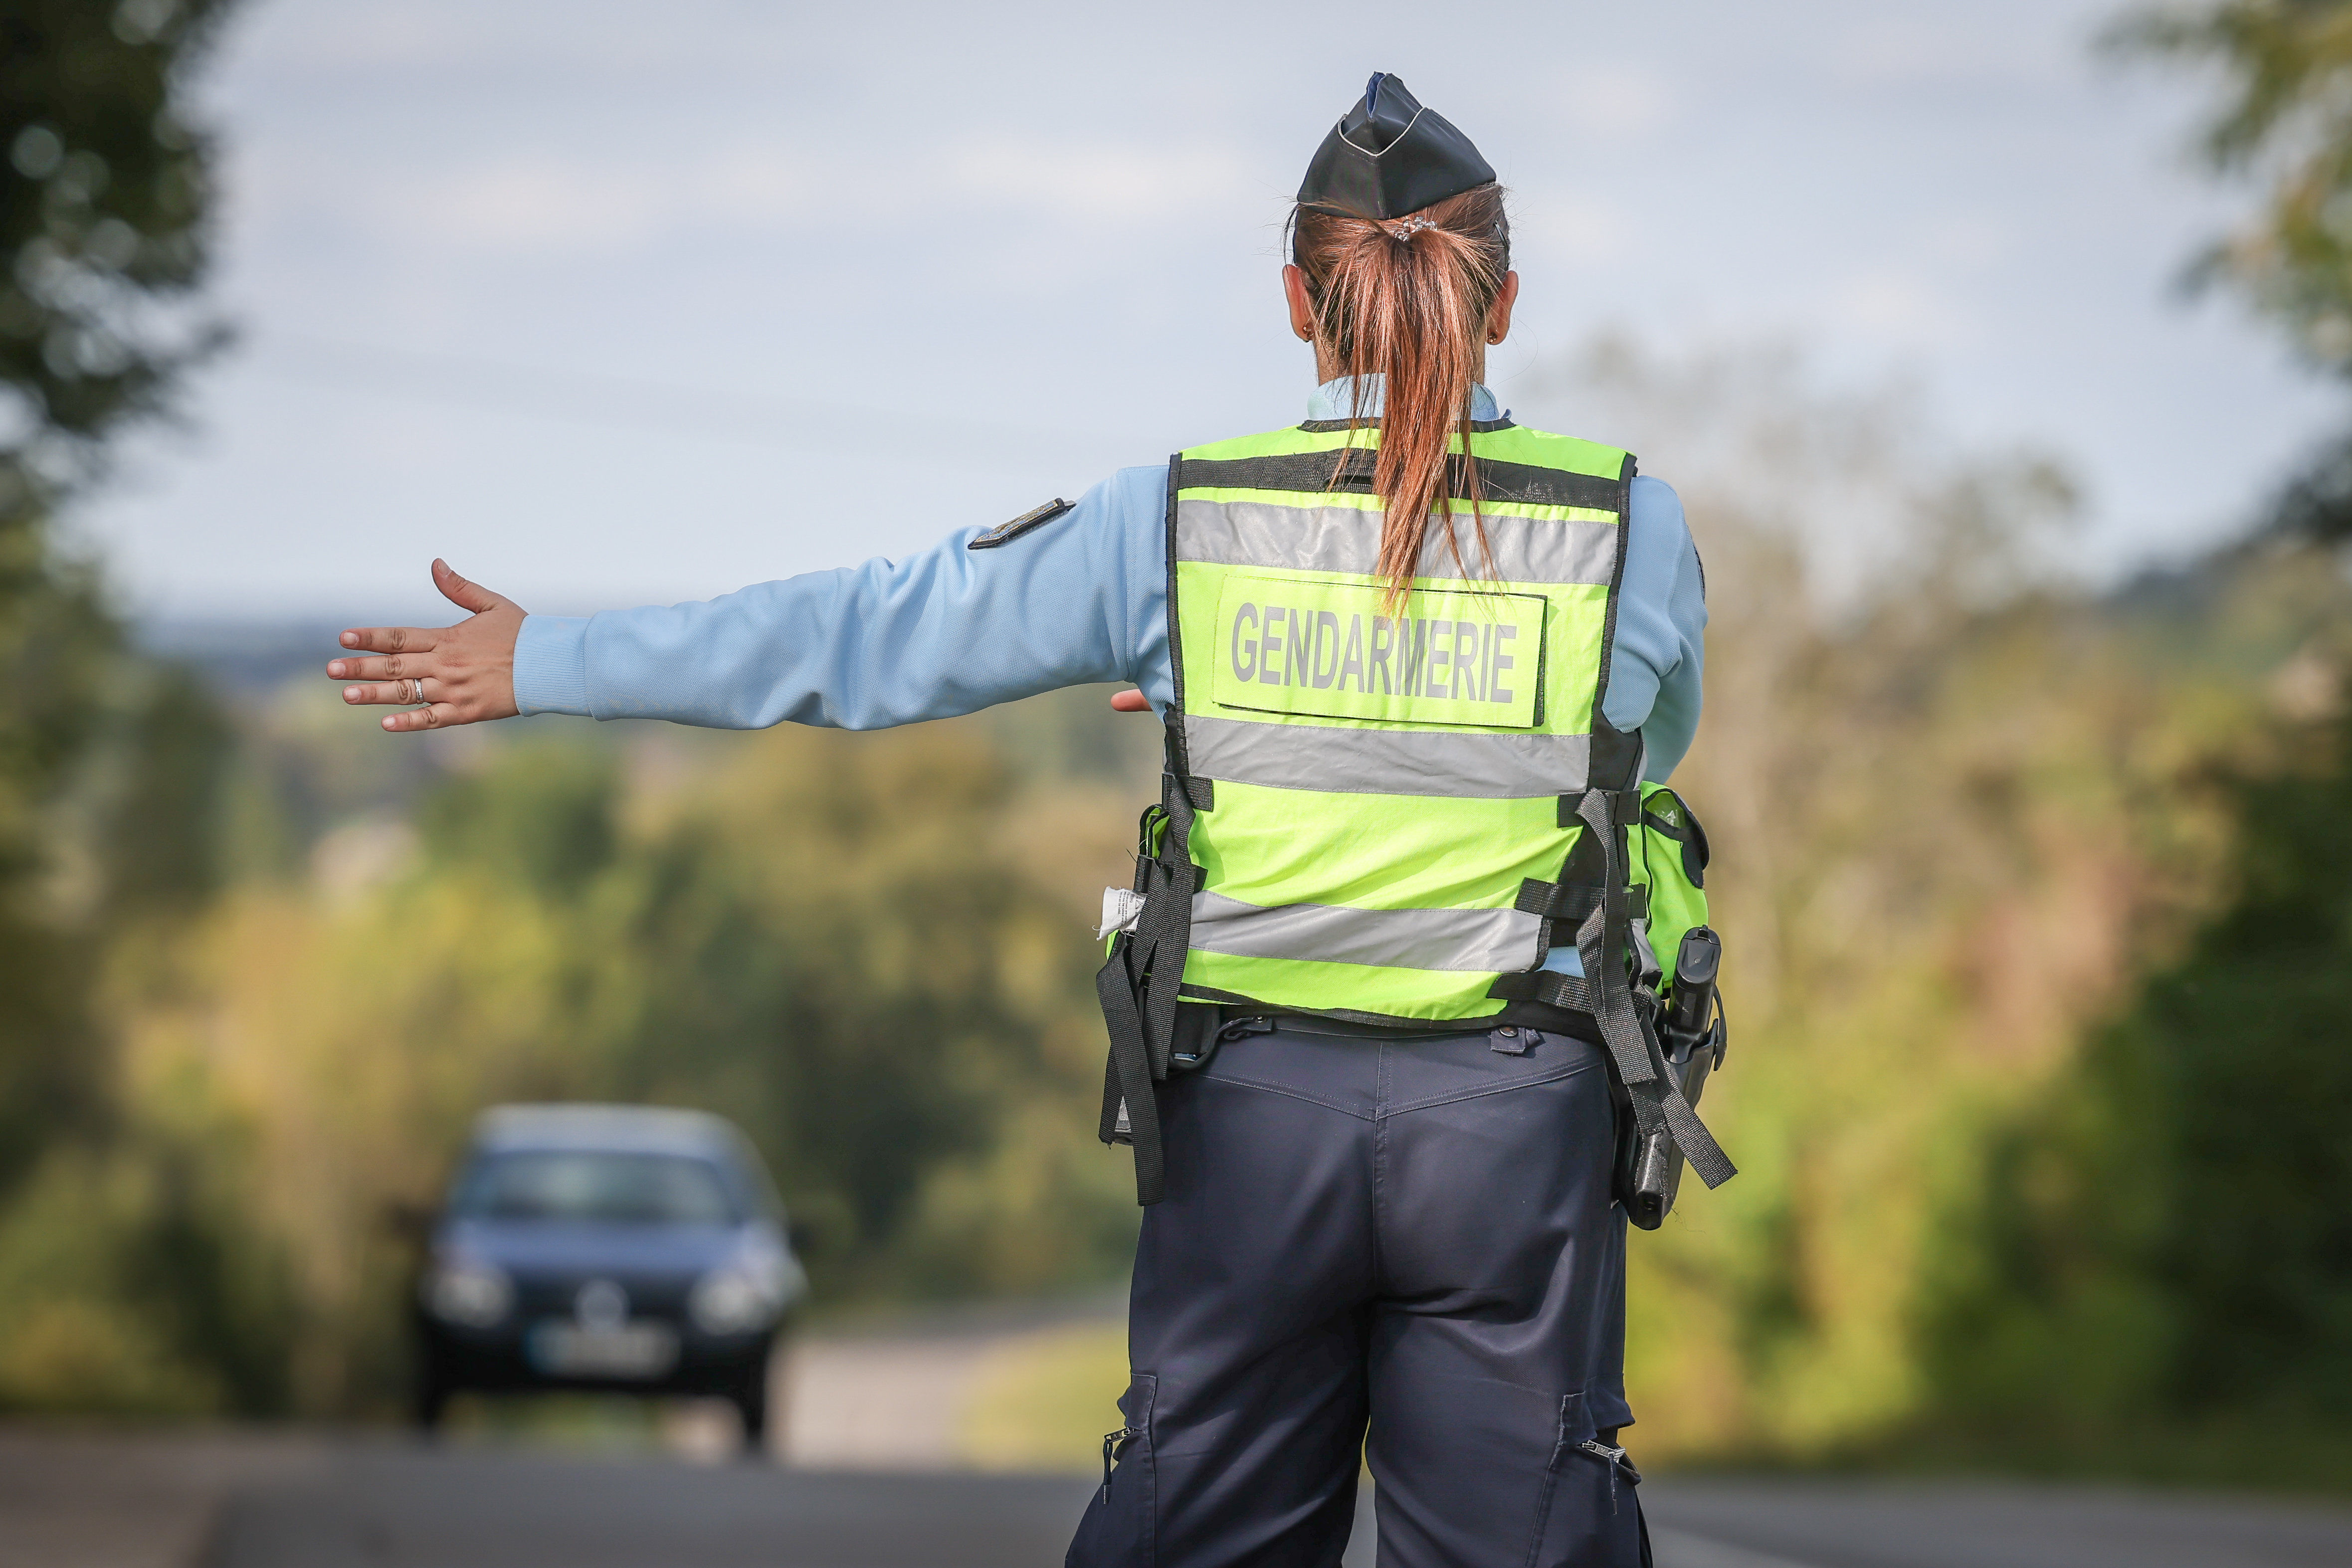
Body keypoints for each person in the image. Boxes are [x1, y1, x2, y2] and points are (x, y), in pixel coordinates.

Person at [327, 73, 1715, 1568]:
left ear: (1296, 305)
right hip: (1513, 1134)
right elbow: (1628, 761)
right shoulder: (1628, 530)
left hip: (1252, 1132)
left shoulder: (1169, 526)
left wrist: (552, 660)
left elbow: (868, 639)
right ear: (1499, 302)